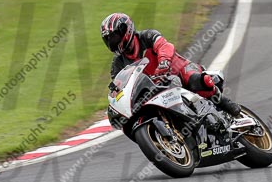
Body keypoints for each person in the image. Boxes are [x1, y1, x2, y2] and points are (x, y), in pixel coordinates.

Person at [101, 12, 241, 118]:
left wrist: (164, 62)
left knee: (195, 80)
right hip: (155, 89)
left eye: (114, 37)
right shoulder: (117, 64)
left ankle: (226, 104)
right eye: (108, 39)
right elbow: (119, 84)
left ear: (126, 30)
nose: (112, 42)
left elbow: (164, 46)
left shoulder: (147, 36)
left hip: (178, 70)